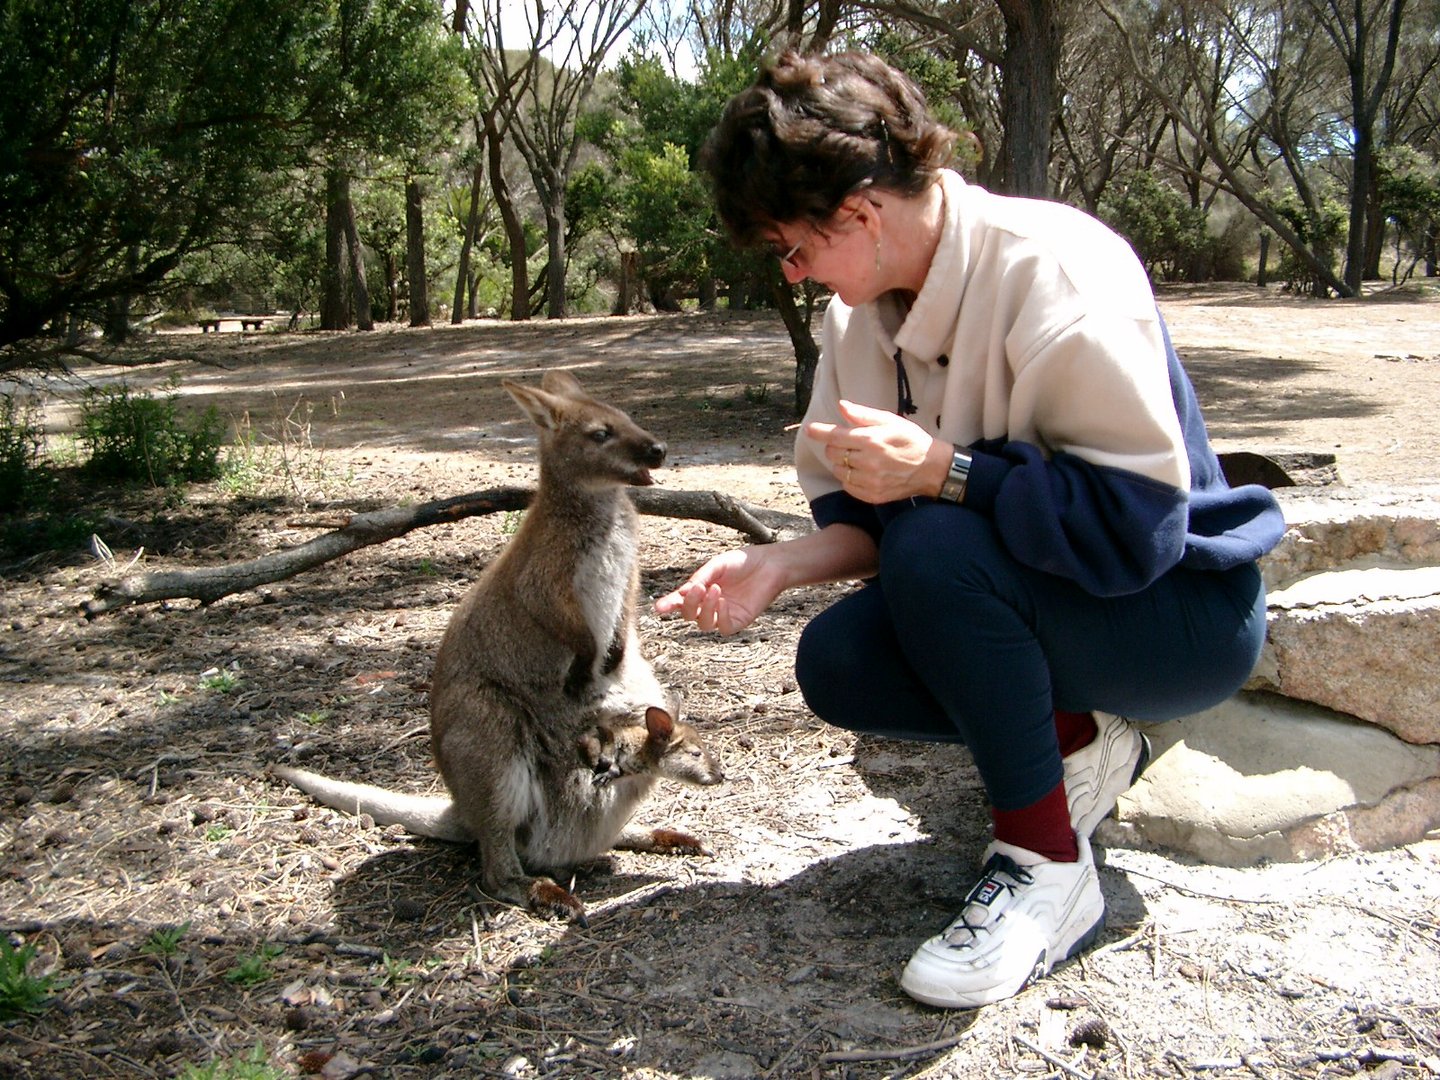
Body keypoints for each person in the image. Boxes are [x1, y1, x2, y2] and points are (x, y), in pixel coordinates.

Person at [655, 49, 1285, 1010]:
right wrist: (777, 565)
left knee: (935, 540)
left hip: (1179, 612)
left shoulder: (1058, 272)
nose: (794, 271)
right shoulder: (855, 323)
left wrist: (945, 473)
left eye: (795, 248)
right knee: (840, 660)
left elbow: (1134, 533)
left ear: (861, 213)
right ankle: (1078, 741)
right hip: (1052, 598)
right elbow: (878, 524)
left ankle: (1046, 866)